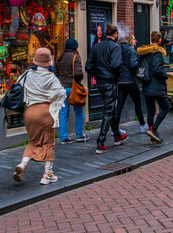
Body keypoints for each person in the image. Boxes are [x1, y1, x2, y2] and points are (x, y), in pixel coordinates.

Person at [13, 48, 66, 185]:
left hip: (29, 112)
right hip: (45, 111)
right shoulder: (51, 77)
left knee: (33, 141)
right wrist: (52, 101)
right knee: (49, 142)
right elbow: (61, 94)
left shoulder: (27, 74)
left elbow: (18, 85)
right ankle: (47, 174)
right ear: (49, 62)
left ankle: (23, 164)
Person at [85, 24, 127, 154]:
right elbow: (116, 65)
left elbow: (88, 66)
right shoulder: (115, 47)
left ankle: (117, 135)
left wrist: (98, 74)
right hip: (110, 82)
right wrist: (117, 75)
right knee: (108, 111)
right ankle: (100, 142)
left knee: (110, 108)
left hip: (100, 82)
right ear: (115, 35)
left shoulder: (97, 47)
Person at [137, 31, 169, 143]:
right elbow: (157, 69)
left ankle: (152, 137)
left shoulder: (144, 53)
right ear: (159, 40)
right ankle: (153, 130)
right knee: (165, 107)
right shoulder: (157, 53)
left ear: (151, 39)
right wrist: (165, 75)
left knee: (151, 111)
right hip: (157, 87)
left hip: (146, 86)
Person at [55, 39, 88, 144]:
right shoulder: (75, 57)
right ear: (75, 47)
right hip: (72, 88)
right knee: (79, 111)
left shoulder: (59, 58)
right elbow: (78, 73)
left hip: (61, 88)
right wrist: (80, 78)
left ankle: (63, 137)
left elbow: (55, 73)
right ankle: (79, 134)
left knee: (63, 113)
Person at [116, 35, 146, 133]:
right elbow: (133, 65)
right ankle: (142, 125)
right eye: (134, 39)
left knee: (119, 105)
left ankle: (115, 128)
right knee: (137, 104)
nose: (136, 41)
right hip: (131, 81)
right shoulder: (131, 51)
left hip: (120, 81)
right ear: (130, 40)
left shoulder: (118, 50)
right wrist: (138, 68)